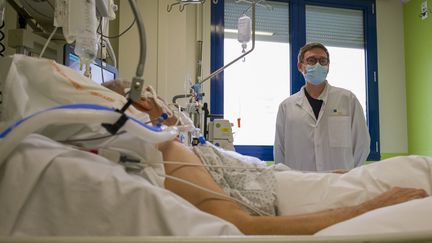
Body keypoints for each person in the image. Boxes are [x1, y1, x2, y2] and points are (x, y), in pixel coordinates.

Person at [102, 80, 429, 235]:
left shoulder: (183, 143)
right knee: (417, 172)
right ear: (143, 106)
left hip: (291, 183)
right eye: (151, 94)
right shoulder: (170, 151)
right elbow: (244, 225)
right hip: (291, 200)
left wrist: (333, 176)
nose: (160, 98)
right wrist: (369, 209)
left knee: (417, 167)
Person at [274, 42, 370, 171]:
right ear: (300, 66)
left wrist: (351, 176)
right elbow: (280, 150)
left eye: (323, 61)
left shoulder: (348, 100)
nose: (318, 65)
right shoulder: (287, 107)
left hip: (340, 184)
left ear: (328, 66)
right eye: (311, 61)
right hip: (300, 183)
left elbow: (361, 144)